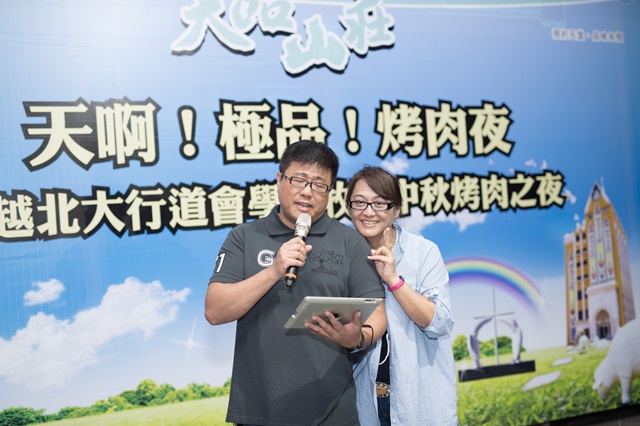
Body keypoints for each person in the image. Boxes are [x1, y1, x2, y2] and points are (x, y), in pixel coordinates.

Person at [205, 141, 387, 426]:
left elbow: (377, 313)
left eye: (319, 185)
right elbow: (215, 311)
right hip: (259, 410)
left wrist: (357, 338)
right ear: (279, 180)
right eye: (299, 180)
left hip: (333, 411)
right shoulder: (244, 236)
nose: (307, 191)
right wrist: (274, 270)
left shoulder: (350, 241)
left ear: (329, 191)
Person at [347, 166, 458, 425]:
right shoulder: (343, 257)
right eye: (359, 202)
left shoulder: (423, 252)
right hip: (365, 403)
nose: (368, 212)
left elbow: (440, 323)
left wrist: (394, 281)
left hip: (420, 401)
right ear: (349, 207)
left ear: (396, 209)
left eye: (379, 203)